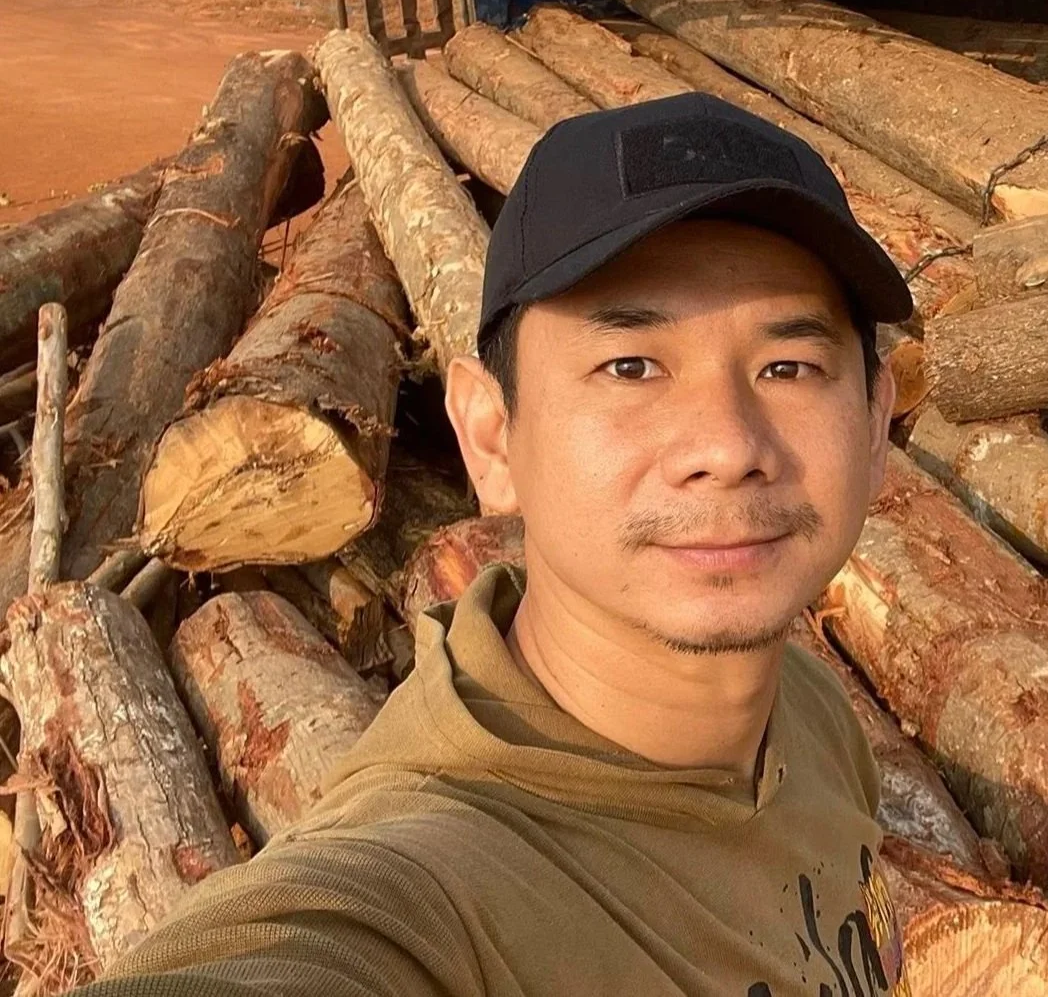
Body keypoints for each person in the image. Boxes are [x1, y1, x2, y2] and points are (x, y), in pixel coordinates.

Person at [71, 92, 912, 996]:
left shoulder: (812, 718)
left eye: (788, 366)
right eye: (630, 367)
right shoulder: (427, 895)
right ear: (489, 436)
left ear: (873, 426)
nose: (727, 445)